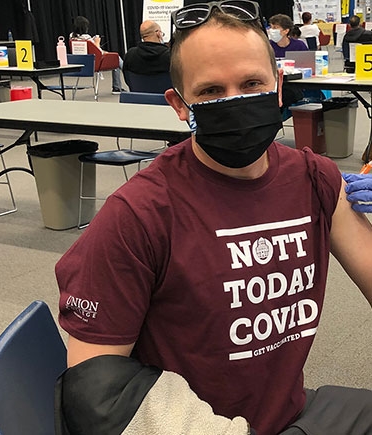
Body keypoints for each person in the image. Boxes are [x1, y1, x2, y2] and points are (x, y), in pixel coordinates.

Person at [54, 2, 372, 434]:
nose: (235, 102)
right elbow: (94, 388)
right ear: (180, 105)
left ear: (278, 86)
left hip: (289, 416)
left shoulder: (315, 179)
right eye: (210, 92)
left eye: (251, 83)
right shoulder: (140, 214)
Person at [69, 15, 124, 93]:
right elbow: (98, 52)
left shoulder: (71, 37)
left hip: (80, 62)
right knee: (116, 58)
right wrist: (97, 42)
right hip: (95, 64)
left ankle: (117, 86)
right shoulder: (87, 38)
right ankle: (125, 76)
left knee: (113, 58)